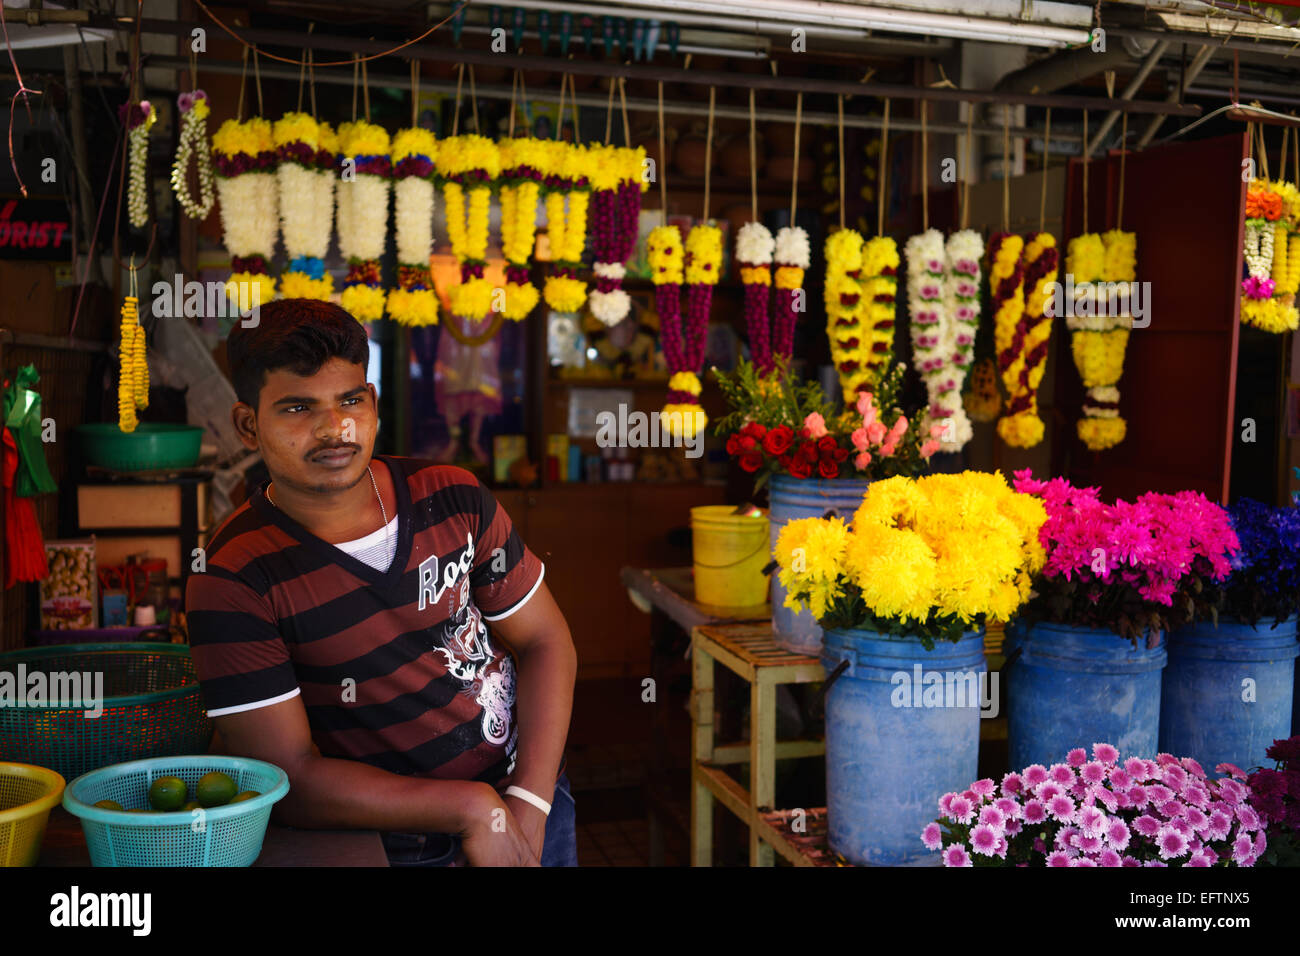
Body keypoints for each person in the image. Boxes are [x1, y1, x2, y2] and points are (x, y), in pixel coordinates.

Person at [185, 299, 577, 866]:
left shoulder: (453, 495)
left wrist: (529, 803)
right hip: (392, 847)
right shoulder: (233, 575)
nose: (334, 429)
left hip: (532, 800)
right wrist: (472, 810)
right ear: (248, 425)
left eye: (349, 400)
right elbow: (288, 776)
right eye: (298, 407)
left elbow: (546, 640)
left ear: (371, 403)